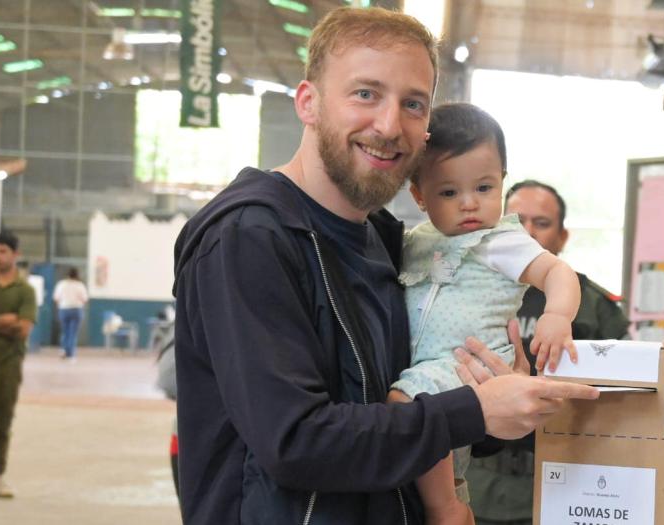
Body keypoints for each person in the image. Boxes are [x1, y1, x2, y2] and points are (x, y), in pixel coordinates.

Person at [171, 7, 597, 525]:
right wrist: (472, 411)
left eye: (413, 103)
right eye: (365, 93)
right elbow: (296, 442)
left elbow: (403, 407)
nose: (390, 125)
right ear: (309, 102)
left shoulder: (389, 240)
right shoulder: (248, 238)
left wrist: (493, 401)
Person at [388, 103, 581, 524]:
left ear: (502, 183)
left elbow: (558, 271)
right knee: (442, 445)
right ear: (419, 195)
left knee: (405, 406)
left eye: (484, 188)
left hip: (469, 362)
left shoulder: (501, 241)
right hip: (437, 366)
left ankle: (446, 508)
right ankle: (456, 499)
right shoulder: (413, 241)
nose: (469, 205)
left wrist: (557, 316)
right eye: (449, 192)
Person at [466, 180, 631, 524]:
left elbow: (622, 402)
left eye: (541, 223)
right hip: (474, 479)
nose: (527, 232)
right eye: (516, 220)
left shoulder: (593, 306)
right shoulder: (464, 295)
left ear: (562, 236)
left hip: (561, 482)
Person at [0, 231, 37, 498]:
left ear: (16, 254)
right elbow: (15, 324)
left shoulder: (25, 291)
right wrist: (6, 319)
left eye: (2, 251)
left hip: (8, 367)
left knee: (2, 425)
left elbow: (24, 329)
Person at [52, 267, 88, 361]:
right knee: (73, 333)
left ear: (67, 275)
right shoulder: (80, 285)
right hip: (76, 310)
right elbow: (85, 299)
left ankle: (63, 350)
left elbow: (56, 298)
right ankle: (71, 355)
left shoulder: (61, 284)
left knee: (65, 331)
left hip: (64, 309)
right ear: (77, 275)